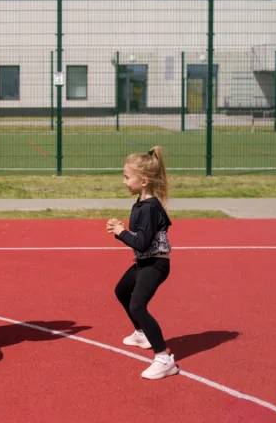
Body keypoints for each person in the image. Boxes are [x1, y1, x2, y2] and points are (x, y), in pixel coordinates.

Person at [106, 146, 179, 380]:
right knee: (121, 291)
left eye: (127, 177)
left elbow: (142, 243)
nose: (124, 181)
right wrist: (120, 231)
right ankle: (141, 334)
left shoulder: (150, 208)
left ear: (144, 180)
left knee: (138, 305)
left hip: (155, 264)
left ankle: (164, 359)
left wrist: (120, 232)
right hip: (145, 262)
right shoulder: (142, 201)